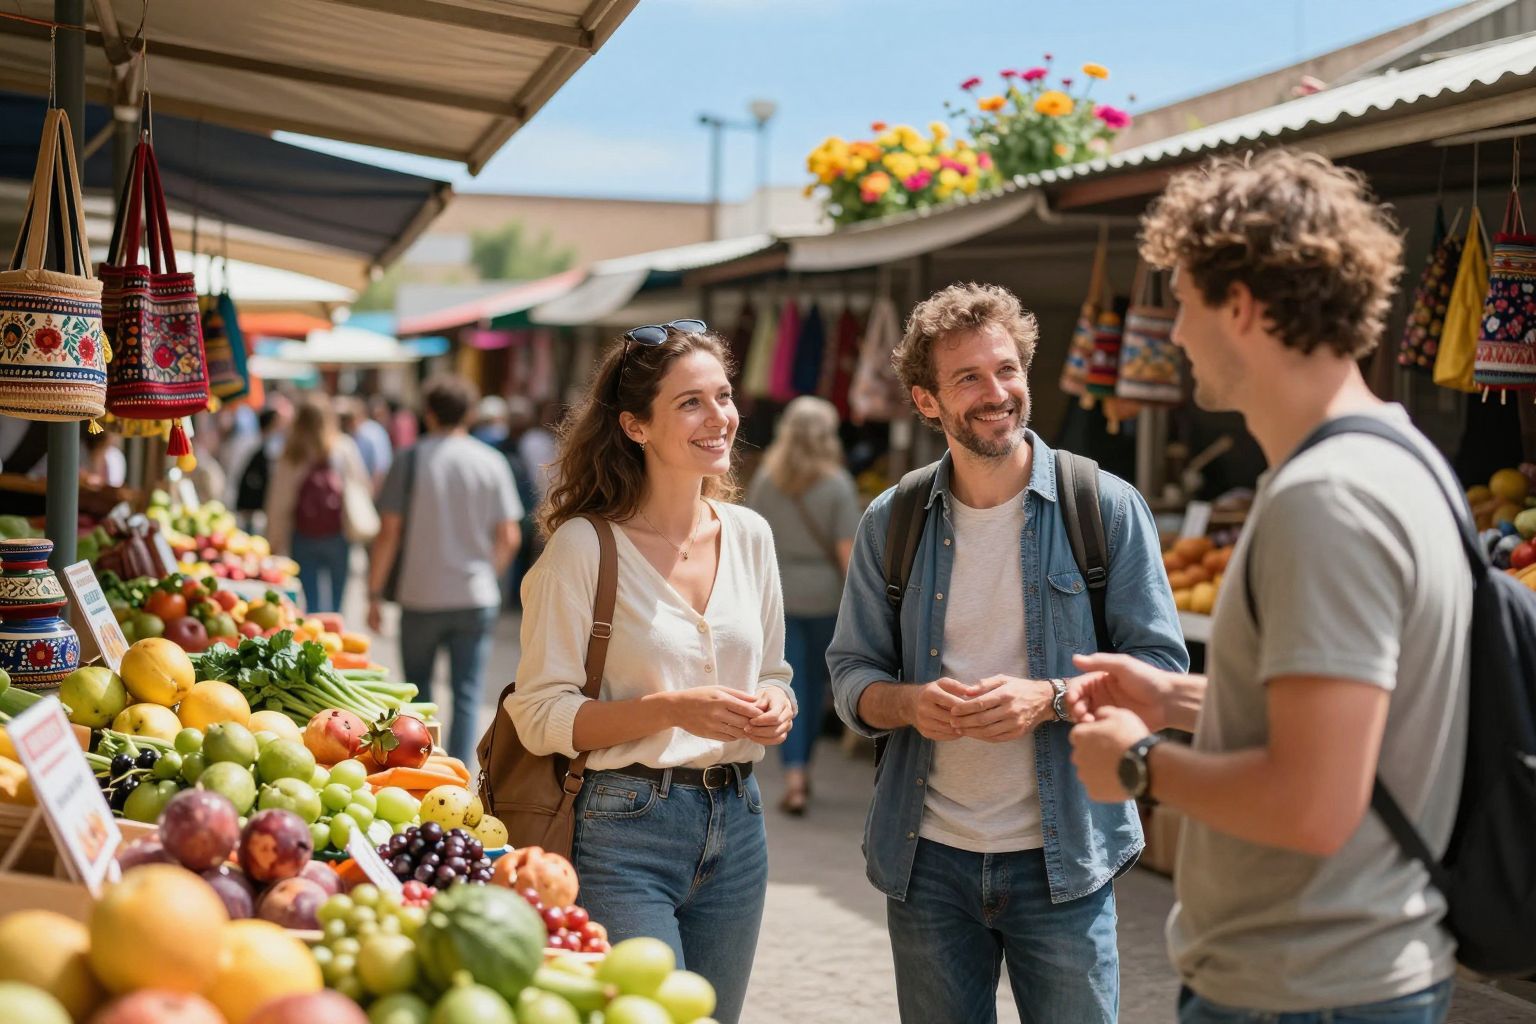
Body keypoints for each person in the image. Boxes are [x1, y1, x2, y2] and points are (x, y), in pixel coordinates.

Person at [1067, 150, 1471, 1024]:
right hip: (1341, 978)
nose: (1173, 332)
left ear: (1240, 307)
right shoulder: (1402, 460)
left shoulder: (1327, 500)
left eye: (1182, 301)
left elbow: (1315, 801)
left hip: (1308, 990)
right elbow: (1354, 721)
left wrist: (1136, 762)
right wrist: (1174, 695)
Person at [826, 283, 1187, 1024]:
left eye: (1007, 370)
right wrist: (907, 704)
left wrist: (1047, 699)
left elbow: (1162, 671)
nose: (996, 394)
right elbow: (849, 673)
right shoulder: (891, 521)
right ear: (926, 402)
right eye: (968, 379)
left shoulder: (1105, 506)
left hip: (1067, 863)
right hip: (925, 861)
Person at [503, 321, 795, 1024]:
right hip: (621, 828)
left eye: (723, 396)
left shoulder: (750, 535)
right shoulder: (582, 549)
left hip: (740, 823)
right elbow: (540, 714)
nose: (718, 416)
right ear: (635, 425)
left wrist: (776, 706)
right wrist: (671, 710)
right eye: (690, 402)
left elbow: (778, 670)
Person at [368, 376, 523, 764]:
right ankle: (459, 772)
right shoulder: (491, 461)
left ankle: (422, 766)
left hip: (420, 594)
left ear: (429, 412)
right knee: (468, 693)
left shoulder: (410, 458)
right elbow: (510, 535)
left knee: (418, 695)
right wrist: (489, 573)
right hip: (475, 595)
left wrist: (373, 593)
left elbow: (389, 532)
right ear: (470, 414)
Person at [745, 395, 861, 815]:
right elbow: (847, 552)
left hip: (777, 593)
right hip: (826, 597)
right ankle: (804, 770)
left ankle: (794, 778)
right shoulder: (838, 484)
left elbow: (751, 541)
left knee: (789, 685)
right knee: (817, 687)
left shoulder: (765, 480)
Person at [264, 395, 373, 614]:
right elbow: (362, 486)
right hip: (338, 534)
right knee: (337, 601)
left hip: (303, 535)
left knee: (310, 599)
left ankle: (315, 641)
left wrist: (273, 541)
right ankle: (334, 638)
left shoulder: (293, 452)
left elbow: (278, 500)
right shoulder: (343, 447)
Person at [228, 408, 285, 531]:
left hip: (258, 511)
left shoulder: (270, 447)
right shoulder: (251, 446)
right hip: (246, 510)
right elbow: (237, 474)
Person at [339, 395, 393, 494]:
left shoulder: (372, 433)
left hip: (371, 493)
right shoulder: (352, 435)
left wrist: (370, 495)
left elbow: (380, 468)